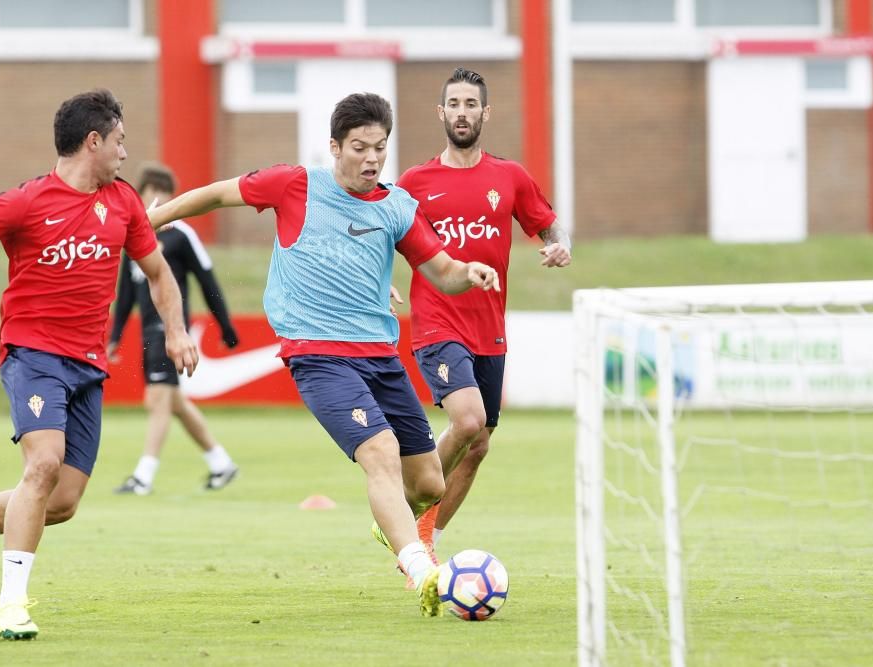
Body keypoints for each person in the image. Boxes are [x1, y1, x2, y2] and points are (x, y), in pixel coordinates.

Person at [146, 92, 500, 617]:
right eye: (360, 147)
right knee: (378, 453)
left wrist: (466, 272)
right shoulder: (295, 184)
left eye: (380, 148)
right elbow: (219, 195)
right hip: (319, 356)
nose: (372, 159)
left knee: (428, 483)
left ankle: (393, 526)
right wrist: (153, 220)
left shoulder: (397, 207)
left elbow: (440, 271)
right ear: (335, 146)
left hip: (380, 358)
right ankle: (422, 569)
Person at [0, 89, 198, 640]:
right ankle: (11, 605)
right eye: (120, 142)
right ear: (93, 141)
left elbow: (157, 272)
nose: (126, 154)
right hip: (32, 355)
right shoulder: (24, 202)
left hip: (87, 366)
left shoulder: (123, 202)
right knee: (43, 465)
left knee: (61, 502)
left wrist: (175, 331)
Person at [396, 67, 572, 555]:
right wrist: (377, 287)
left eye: (470, 104)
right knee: (469, 419)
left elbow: (552, 228)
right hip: (437, 323)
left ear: (485, 113)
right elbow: (380, 237)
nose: (462, 113)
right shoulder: (414, 181)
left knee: (478, 445)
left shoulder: (509, 177)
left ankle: (427, 538)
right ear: (441, 113)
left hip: (489, 330)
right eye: (454, 104)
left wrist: (562, 248)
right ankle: (405, 506)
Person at [108, 161, 240, 495]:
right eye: (153, 193)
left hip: (171, 331)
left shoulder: (182, 235)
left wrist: (225, 326)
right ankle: (220, 463)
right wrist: (115, 336)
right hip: (148, 333)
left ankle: (144, 476)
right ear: (142, 194)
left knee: (157, 399)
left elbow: (208, 281)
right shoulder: (133, 234)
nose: (159, 201)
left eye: (165, 194)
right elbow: (125, 293)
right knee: (173, 402)